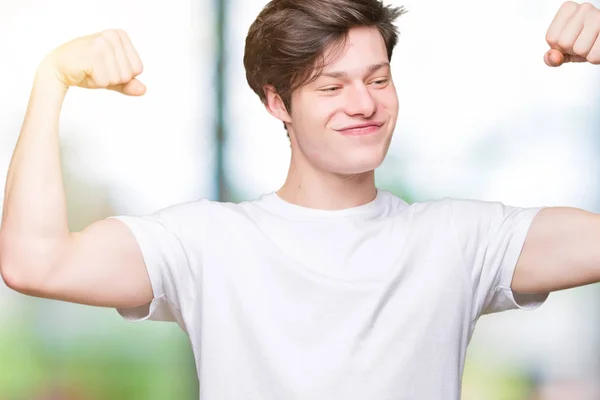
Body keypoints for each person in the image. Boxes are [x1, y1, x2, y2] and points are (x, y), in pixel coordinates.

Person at [1, 0, 599, 398]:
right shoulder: (207, 243)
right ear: (276, 103)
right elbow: (35, 262)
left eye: (378, 77)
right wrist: (50, 80)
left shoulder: (460, 240)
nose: (363, 103)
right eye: (330, 86)